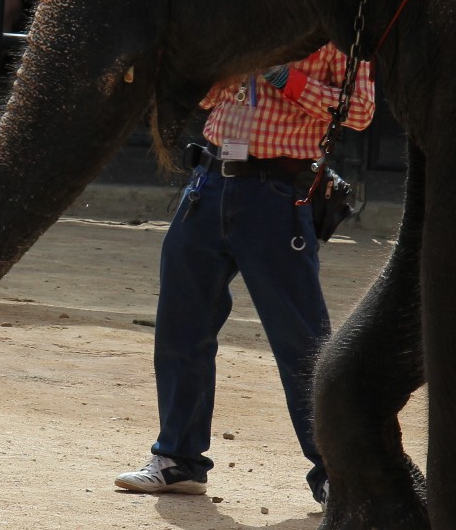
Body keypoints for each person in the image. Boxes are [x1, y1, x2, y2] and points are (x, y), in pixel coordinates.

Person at [116, 48, 375, 502]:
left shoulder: (334, 31)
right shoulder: (240, 17)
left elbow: (360, 112)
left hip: (278, 189)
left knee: (301, 339)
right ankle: (178, 459)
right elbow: (203, 100)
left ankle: (339, 473)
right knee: (181, 324)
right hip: (210, 181)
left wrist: (280, 77)